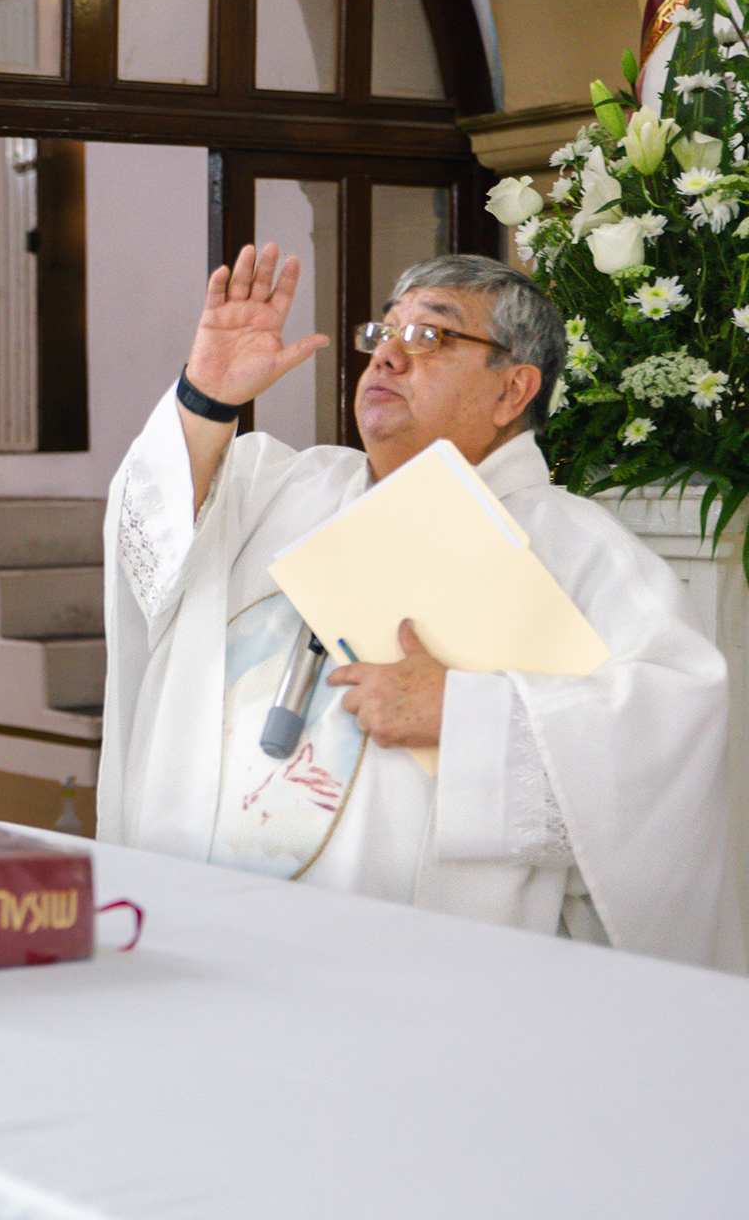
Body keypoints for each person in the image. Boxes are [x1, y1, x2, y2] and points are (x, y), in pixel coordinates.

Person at [98, 244, 743, 970]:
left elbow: (670, 734)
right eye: (384, 332)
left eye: (430, 335)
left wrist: (465, 714)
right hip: (200, 930)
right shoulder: (277, 485)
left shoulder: (579, 551)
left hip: (386, 973)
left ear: (513, 390)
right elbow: (146, 553)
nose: (387, 356)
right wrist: (206, 398)